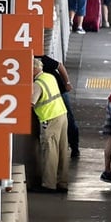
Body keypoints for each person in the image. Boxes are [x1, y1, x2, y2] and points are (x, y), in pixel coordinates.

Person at [31, 58, 70, 193]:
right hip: (62, 114)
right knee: (62, 150)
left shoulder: (37, 84)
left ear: (34, 69)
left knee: (50, 151)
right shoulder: (49, 76)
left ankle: (49, 184)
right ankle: (62, 182)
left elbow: (31, 102)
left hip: (50, 118)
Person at [39, 55, 80, 158]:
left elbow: (59, 66)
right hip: (46, 94)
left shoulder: (39, 58)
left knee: (68, 119)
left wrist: (67, 83)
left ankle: (74, 147)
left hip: (59, 92)